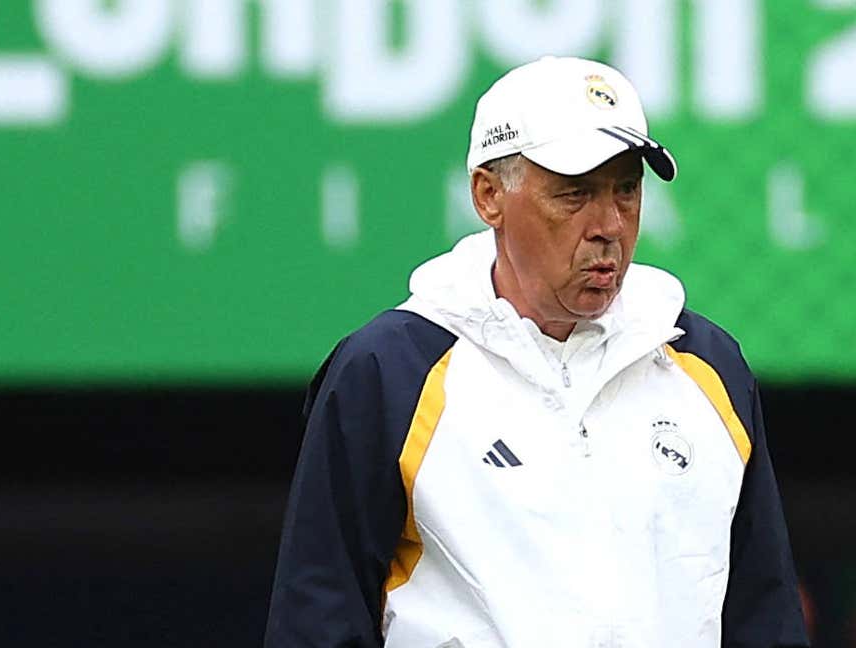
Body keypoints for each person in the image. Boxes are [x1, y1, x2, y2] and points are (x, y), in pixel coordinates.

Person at [264, 55, 809, 648]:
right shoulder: (388, 373)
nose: (609, 225)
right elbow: (317, 620)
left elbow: (765, 615)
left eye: (626, 190)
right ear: (488, 195)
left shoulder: (709, 367)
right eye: (574, 194)